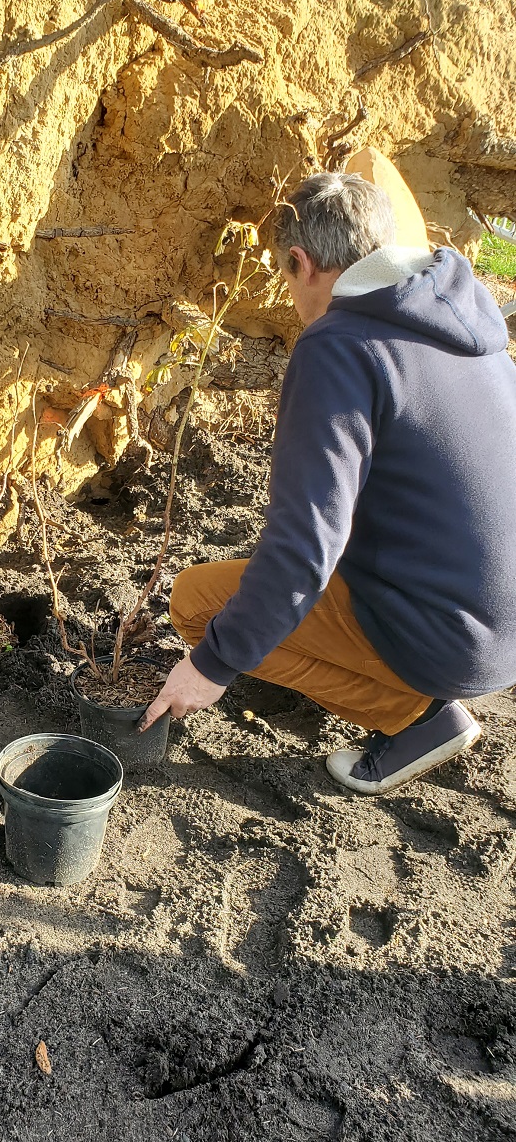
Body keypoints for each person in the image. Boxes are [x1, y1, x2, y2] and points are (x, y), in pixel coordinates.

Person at [142, 170, 516, 794]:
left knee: (199, 603)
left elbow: (306, 544)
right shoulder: (460, 311)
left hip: (456, 641)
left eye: (287, 280)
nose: (292, 300)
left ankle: (418, 718)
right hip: (501, 614)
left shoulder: (339, 345)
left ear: (301, 261)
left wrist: (210, 666)